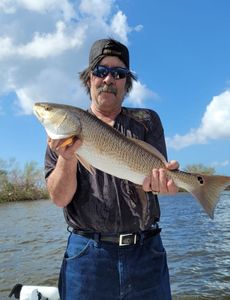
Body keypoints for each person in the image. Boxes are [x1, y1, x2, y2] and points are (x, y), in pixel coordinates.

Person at [45, 38, 179, 300]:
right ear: (88, 79)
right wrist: (67, 158)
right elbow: (60, 198)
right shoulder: (62, 133)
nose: (108, 78)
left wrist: (164, 183)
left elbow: (157, 180)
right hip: (87, 256)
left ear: (126, 83)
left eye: (119, 73)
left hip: (146, 252)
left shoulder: (147, 120)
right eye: (100, 71)